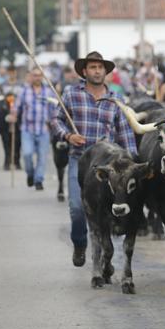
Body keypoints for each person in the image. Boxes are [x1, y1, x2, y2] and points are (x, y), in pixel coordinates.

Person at [50, 51, 137, 267]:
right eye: (92, 67)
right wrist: (68, 135)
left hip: (109, 168)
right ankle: (79, 243)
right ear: (84, 71)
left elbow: (125, 131)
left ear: (106, 72)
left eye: (100, 67)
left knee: (106, 212)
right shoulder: (71, 94)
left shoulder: (117, 100)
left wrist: (133, 163)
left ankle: (104, 258)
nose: (97, 71)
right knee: (78, 209)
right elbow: (55, 120)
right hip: (79, 160)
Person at [12, 68, 54, 190]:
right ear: (31, 76)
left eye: (39, 75)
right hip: (27, 129)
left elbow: (54, 110)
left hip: (43, 129)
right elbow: (16, 107)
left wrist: (53, 121)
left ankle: (38, 180)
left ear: (42, 77)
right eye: (35, 75)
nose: (37, 78)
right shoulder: (23, 91)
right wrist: (13, 115)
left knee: (42, 156)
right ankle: (30, 174)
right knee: (27, 154)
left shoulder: (49, 92)